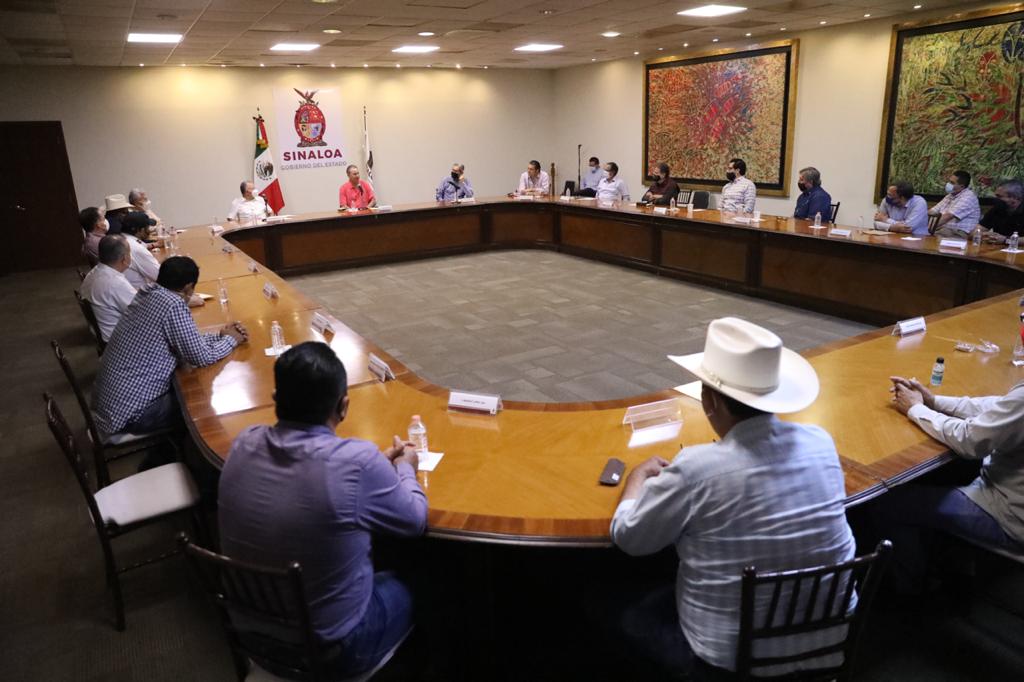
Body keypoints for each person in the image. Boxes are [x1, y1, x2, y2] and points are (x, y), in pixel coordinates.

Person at [609, 317, 855, 677]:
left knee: (612, 604)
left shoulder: (697, 468)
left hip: (728, 661)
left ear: (709, 401)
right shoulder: (821, 442)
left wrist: (635, 481)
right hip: (830, 643)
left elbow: (629, 537)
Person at [219, 341, 426, 678]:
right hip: (331, 650)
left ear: (275, 399)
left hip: (250, 636)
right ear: (344, 406)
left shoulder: (243, 442)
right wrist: (405, 467)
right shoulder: (357, 462)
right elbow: (415, 521)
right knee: (431, 576)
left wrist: (372, 470)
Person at [878, 375, 1024, 593]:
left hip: (1008, 516)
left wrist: (916, 409)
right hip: (1007, 491)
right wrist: (934, 401)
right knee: (949, 472)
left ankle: (908, 590)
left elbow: (970, 440)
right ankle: (946, 561)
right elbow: (998, 408)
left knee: (889, 504)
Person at [92, 256, 247, 438]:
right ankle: (193, 451)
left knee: (188, 385)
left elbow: (185, 342)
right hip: (133, 415)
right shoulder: (172, 304)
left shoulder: (147, 293)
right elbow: (201, 357)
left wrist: (220, 336)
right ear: (188, 287)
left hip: (110, 407)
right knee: (201, 403)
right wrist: (231, 340)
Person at [80, 234, 136, 342]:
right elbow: (141, 312)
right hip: (119, 339)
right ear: (124, 258)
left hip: (105, 333)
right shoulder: (115, 283)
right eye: (130, 253)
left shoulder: (94, 272)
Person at [930, 170, 981, 238]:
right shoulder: (950, 195)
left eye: (952, 183)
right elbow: (932, 211)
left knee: (931, 237)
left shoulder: (968, 197)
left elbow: (948, 216)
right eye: (949, 181)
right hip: (943, 229)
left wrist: (927, 227)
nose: (948, 184)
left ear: (962, 186)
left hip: (958, 232)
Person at [120, 211, 161, 289]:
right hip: (142, 292)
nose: (150, 231)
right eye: (147, 228)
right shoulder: (136, 248)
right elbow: (160, 276)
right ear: (140, 230)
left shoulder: (122, 239)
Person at [977, 178, 1024, 243]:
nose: (995, 198)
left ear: (1015, 198)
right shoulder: (997, 209)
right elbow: (976, 230)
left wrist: (1005, 240)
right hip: (997, 248)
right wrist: (982, 234)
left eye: (999, 196)